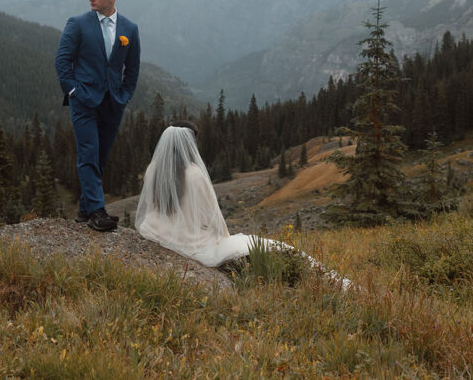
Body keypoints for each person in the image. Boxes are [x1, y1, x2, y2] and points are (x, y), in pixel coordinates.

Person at [135, 122, 351, 288]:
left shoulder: (153, 169)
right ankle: (327, 278)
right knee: (270, 247)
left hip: (155, 230)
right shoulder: (194, 174)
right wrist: (223, 237)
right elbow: (210, 216)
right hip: (192, 241)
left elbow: (150, 206)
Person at [55, 0, 141, 231]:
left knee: (101, 156)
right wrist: (73, 91)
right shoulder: (78, 23)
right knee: (89, 152)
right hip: (83, 100)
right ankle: (97, 211)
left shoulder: (129, 29)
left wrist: (125, 94)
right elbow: (62, 61)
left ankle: (84, 209)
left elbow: (132, 68)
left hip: (114, 102)